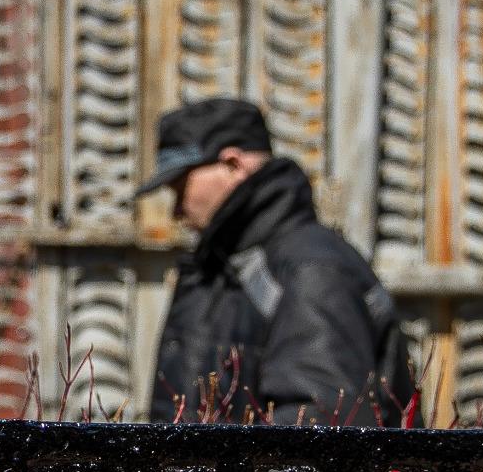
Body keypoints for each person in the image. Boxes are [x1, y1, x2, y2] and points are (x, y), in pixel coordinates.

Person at [141, 97, 416, 424]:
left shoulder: (310, 268)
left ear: (233, 165)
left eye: (180, 187)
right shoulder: (226, 267)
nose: (175, 211)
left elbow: (318, 429)